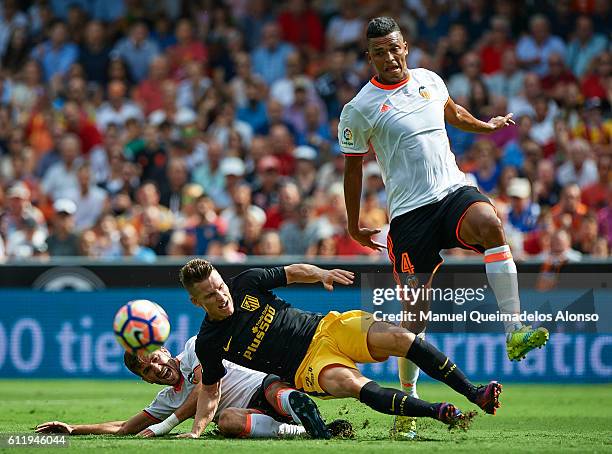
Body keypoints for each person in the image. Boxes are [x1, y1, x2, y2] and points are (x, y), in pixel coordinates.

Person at [339, 17, 548, 437]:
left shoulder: (430, 80)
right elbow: (353, 168)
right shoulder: (359, 108)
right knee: (414, 319)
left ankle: (514, 330)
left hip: (452, 193)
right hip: (409, 216)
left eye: (394, 48)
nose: (389, 57)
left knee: (490, 223)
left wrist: (484, 125)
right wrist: (353, 223)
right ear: (369, 57)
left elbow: (452, 112)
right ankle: (406, 408)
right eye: (378, 52)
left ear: (406, 47)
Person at [177, 259, 503, 439]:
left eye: (220, 286)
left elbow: (292, 272)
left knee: (402, 339)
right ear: (196, 302)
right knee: (351, 385)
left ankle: (475, 393)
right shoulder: (209, 342)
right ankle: (436, 411)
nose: (221, 296)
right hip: (306, 368)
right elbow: (210, 390)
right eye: (210, 295)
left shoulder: (245, 282)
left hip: (328, 326)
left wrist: (321, 273)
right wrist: (196, 431)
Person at [35, 336, 350, 439]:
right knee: (227, 422)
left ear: (164, 350)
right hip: (246, 412)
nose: (156, 369)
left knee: (276, 393)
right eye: (147, 371)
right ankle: (303, 431)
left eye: (154, 359)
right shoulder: (166, 398)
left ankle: (302, 410)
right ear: (144, 380)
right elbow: (124, 427)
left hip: (261, 385)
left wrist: (167, 426)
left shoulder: (193, 348)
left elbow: (205, 388)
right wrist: (74, 429)